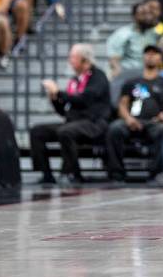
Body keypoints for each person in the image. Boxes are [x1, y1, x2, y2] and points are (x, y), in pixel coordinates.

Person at [29, 43, 111, 185]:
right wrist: (55, 99)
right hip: (73, 122)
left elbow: (85, 99)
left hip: (93, 123)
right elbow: (64, 111)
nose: (70, 60)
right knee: (37, 131)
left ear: (84, 60)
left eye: (73, 57)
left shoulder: (98, 77)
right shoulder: (74, 81)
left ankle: (73, 174)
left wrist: (59, 93)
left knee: (65, 131)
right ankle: (46, 174)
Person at [104, 46, 163, 181]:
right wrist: (128, 118)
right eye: (147, 53)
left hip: (154, 123)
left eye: (154, 54)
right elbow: (123, 104)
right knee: (114, 128)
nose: (150, 56)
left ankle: (157, 174)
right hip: (132, 120)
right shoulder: (132, 82)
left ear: (160, 58)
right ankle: (116, 174)